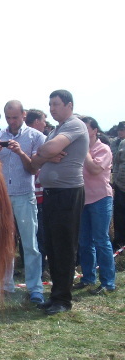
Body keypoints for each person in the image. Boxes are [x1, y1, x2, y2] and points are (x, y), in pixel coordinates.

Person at [31, 90, 89, 315]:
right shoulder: (57, 129)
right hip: (53, 192)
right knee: (53, 247)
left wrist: (46, 153)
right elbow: (36, 160)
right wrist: (45, 154)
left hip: (68, 192)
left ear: (69, 105)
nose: (52, 108)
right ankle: (55, 295)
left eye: (56, 104)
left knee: (64, 246)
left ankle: (63, 300)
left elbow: (46, 150)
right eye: (50, 104)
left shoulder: (74, 125)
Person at [0, 100, 45, 304]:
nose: (12, 121)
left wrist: (20, 152)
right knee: (4, 243)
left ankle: (35, 288)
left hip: (24, 195)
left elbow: (33, 169)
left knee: (30, 244)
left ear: (24, 114)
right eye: (8, 117)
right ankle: (5, 284)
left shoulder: (36, 136)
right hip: (3, 197)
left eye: (15, 117)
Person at [73, 117, 116, 294]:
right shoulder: (79, 149)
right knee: (84, 242)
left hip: (100, 199)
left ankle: (108, 282)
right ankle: (88, 278)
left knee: (101, 240)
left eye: (86, 127)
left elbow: (94, 169)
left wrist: (84, 150)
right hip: (83, 200)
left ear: (94, 130)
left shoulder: (103, 149)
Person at [26, 109, 49, 279]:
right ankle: (37, 270)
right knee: (36, 235)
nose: (45, 124)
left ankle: (38, 269)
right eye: (43, 120)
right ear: (35, 122)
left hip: (38, 194)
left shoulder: (40, 140)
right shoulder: (33, 141)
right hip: (34, 194)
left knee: (36, 235)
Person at [112, 122, 125, 249]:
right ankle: (119, 241)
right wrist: (115, 178)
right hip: (121, 185)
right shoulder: (121, 144)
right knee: (119, 215)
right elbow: (116, 163)